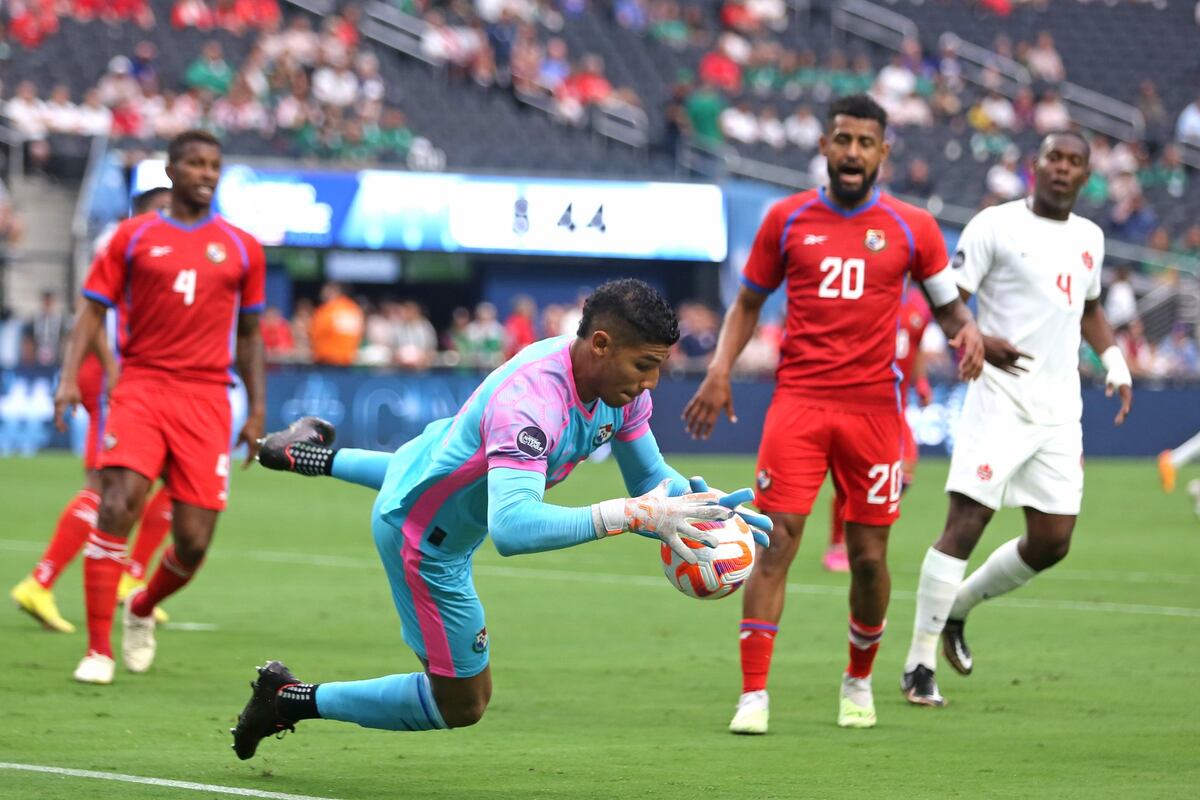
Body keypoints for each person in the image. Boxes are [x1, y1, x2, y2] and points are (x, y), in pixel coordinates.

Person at [226, 279, 772, 760]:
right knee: (463, 701)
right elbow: (511, 527)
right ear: (601, 344)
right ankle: (288, 699)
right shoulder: (532, 405)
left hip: (433, 460)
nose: (651, 382)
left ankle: (300, 454)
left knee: (428, 475)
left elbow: (650, 478)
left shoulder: (615, 386)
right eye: (645, 366)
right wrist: (627, 516)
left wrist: (710, 506)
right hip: (423, 543)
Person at [681, 94, 984, 732]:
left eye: (864, 143)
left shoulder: (913, 227)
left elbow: (949, 308)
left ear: (883, 153)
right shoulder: (785, 219)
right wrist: (718, 369)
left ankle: (858, 679)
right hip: (799, 405)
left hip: (874, 411)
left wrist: (971, 334)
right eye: (842, 140)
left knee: (869, 556)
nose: (852, 153)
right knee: (777, 542)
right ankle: (754, 695)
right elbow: (747, 303)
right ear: (824, 146)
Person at [900, 131, 1133, 707]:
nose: (1062, 168)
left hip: (1060, 411)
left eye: (1074, 162)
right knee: (967, 521)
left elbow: (1093, 309)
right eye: (1053, 157)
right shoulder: (993, 226)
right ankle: (919, 662)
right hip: (998, 397)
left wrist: (1116, 361)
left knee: (1053, 541)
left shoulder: (1090, 238)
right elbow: (948, 295)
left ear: (1085, 177)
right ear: (1035, 166)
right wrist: (972, 334)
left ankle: (958, 608)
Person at [53, 130, 267, 685]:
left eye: (214, 165)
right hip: (143, 387)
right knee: (118, 502)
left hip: (206, 398)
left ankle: (142, 606)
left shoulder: (243, 247)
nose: (207, 173)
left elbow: (249, 336)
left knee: (193, 542)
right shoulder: (131, 237)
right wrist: (70, 378)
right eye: (195, 163)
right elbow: (91, 312)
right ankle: (97, 651)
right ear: (171, 171)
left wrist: (257, 410)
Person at [10, 188, 175, 634]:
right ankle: (43, 581)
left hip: (145, 383)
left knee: (174, 483)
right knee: (107, 488)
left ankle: (125, 575)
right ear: (140, 211)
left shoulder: (165, 244)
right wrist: (111, 367)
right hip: (115, 383)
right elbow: (91, 308)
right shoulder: (124, 241)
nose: (169, 215)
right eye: (161, 208)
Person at [823, 284, 933, 573]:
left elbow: (917, 345)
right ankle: (837, 544)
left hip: (896, 408)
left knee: (902, 475)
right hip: (862, 405)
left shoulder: (917, 308)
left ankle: (860, 534)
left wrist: (920, 382)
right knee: (852, 477)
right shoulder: (864, 301)